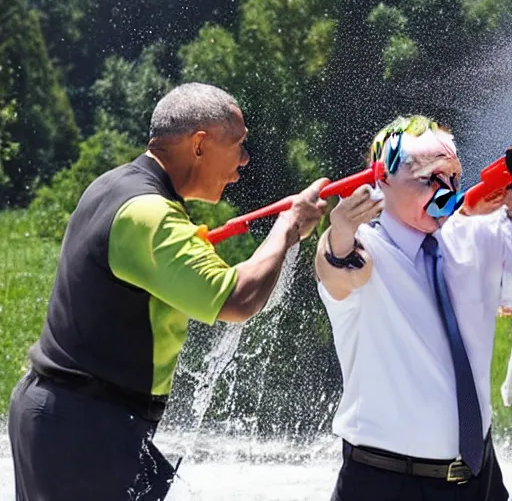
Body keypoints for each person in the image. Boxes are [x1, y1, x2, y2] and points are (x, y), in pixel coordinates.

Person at [8, 82, 327, 501]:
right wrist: (288, 228)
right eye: (238, 144)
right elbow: (236, 299)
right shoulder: (151, 214)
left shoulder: (113, 185)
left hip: (65, 415)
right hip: (84, 426)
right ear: (199, 145)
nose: (245, 160)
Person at [315, 115, 510, 500]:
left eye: (452, 176)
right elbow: (337, 269)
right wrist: (339, 233)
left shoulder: (478, 237)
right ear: (382, 180)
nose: (446, 189)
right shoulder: (366, 248)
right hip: (385, 482)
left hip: (478, 477)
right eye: (427, 178)